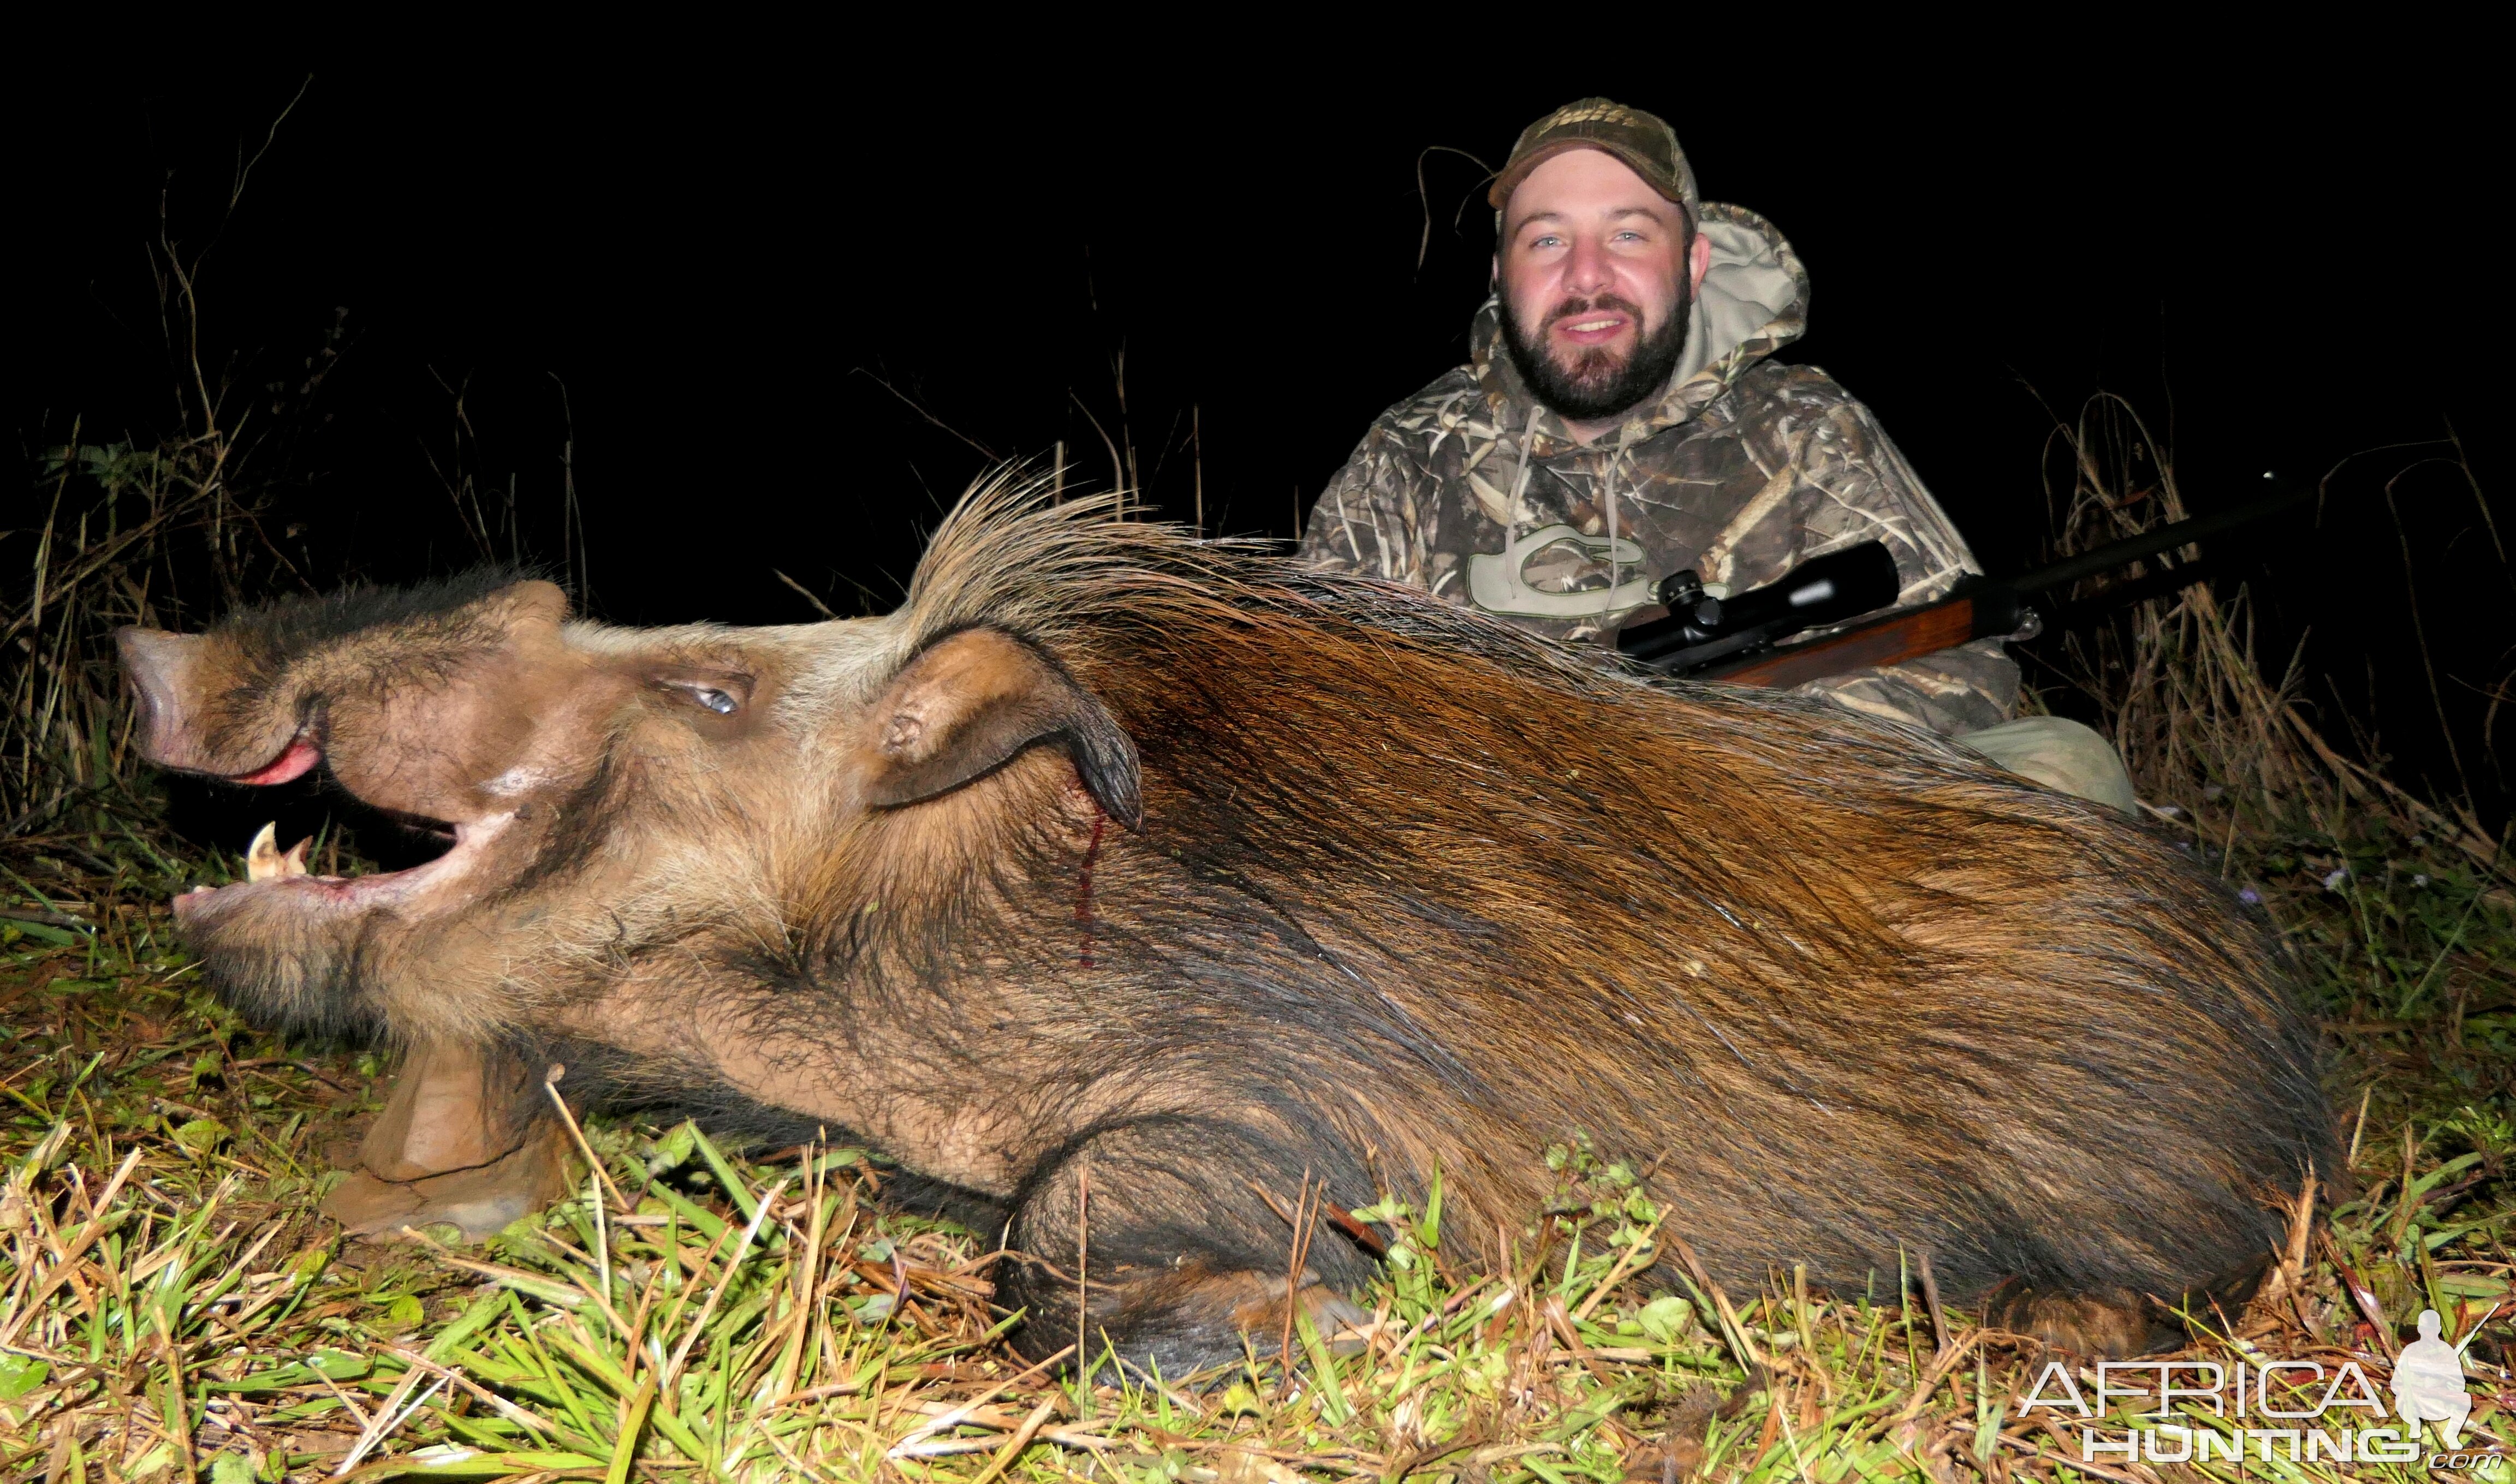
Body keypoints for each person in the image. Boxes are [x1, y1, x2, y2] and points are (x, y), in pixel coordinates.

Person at [1298, 98, 2137, 813]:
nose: (1587, 276)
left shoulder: (1802, 423)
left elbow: (1952, 656)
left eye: (1628, 235)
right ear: (1499, 272)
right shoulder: (1409, 453)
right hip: (1513, 845)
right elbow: (1310, 707)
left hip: (1790, 811)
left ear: (1693, 262)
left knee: (2061, 764)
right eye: (1546, 241)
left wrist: (1729, 759)